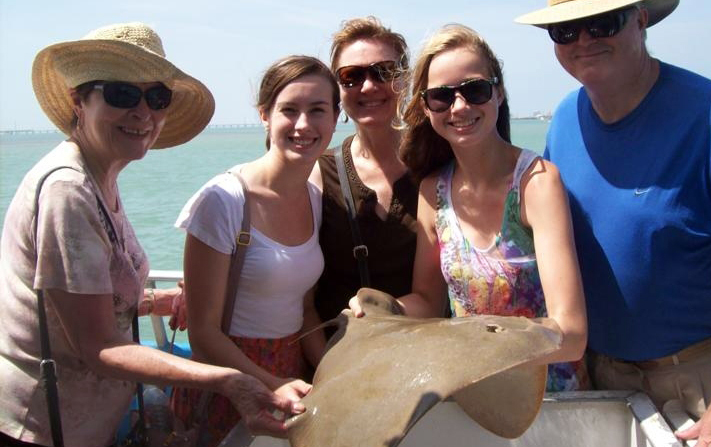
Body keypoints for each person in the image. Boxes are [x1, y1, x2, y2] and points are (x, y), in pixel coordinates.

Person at [0, 23, 305, 447]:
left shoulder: (98, 175)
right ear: (78, 100)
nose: (143, 113)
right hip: (41, 426)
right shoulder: (67, 191)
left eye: (156, 98)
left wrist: (156, 301)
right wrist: (230, 380)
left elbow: (81, 300)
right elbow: (99, 346)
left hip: (83, 421)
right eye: (122, 95)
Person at [515, 1, 711, 445]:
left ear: (641, 19)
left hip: (704, 386)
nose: (584, 40)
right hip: (600, 376)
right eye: (565, 31)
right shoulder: (565, 121)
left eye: (601, 22)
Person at [352, 24, 589, 390]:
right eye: (441, 97)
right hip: (470, 393)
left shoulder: (537, 183)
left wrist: (469, 340)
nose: (460, 107)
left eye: (475, 90)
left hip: (546, 395)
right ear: (426, 107)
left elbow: (570, 335)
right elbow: (429, 301)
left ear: (499, 93)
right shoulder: (433, 190)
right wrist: (386, 312)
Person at [170, 55, 338, 446]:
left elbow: (305, 308)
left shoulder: (314, 197)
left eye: (318, 110)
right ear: (265, 115)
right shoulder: (224, 200)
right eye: (289, 110)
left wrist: (331, 374)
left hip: (291, 372)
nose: (303, 125)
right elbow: (203, 333)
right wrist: (271, 383)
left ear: (335, 117)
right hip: (230, 380)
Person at [306, 16, 418, 359]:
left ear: (405, 77)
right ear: (338, 90)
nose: (368, 87)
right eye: (351, 76)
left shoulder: (436, 166)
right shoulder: (317, 171)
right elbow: (299, 295)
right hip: (337, 360)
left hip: (422, 358)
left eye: (383, 71)